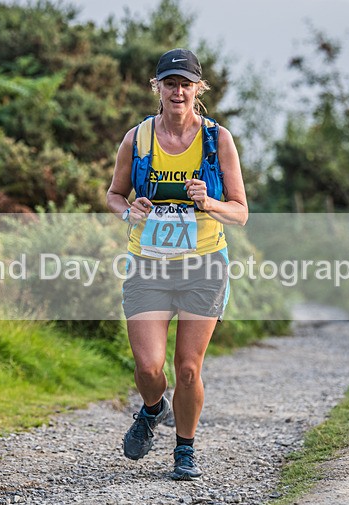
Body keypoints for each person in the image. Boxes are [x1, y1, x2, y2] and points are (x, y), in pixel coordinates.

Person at [106, 48, 248, 481]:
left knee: (188, 368)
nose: (178, 92)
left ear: (198, 89)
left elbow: (240, 212)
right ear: (158, 88)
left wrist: (210, 202)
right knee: (149, 368)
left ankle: (185, 450)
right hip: (148, 265)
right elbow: (114, 195)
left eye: (186, 84)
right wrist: (129, 211)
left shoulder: (217, 140)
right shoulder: (137, 138)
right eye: (170, 83)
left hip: (204, 264)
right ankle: (153, 409)